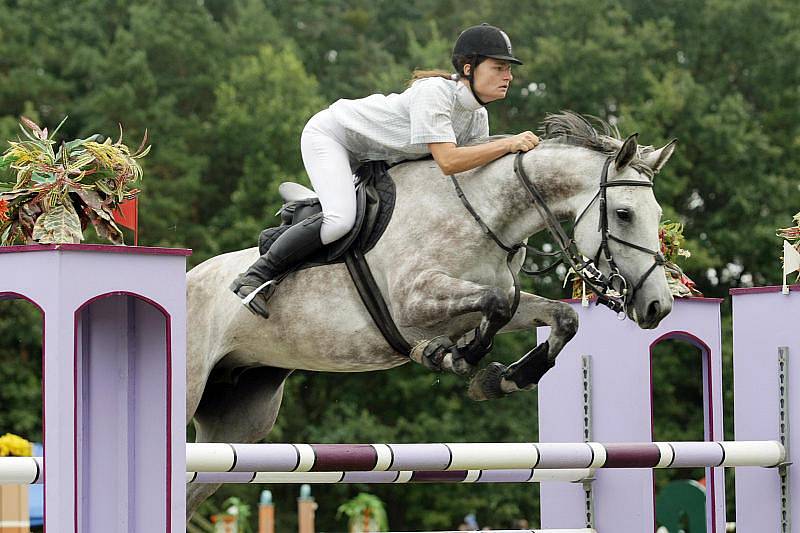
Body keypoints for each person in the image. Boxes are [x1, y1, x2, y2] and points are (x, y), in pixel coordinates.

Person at [231, 23, 541, 318]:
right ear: (468, 68)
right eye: (499, 68)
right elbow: (448, 162)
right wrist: (509, 144)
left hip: (371, 158)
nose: (509, 76)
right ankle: (256, 275)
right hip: (333, 136)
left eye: (509, 69)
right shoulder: (434, 92)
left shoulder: (477, 117)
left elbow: (466, 175)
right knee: (340, 220)